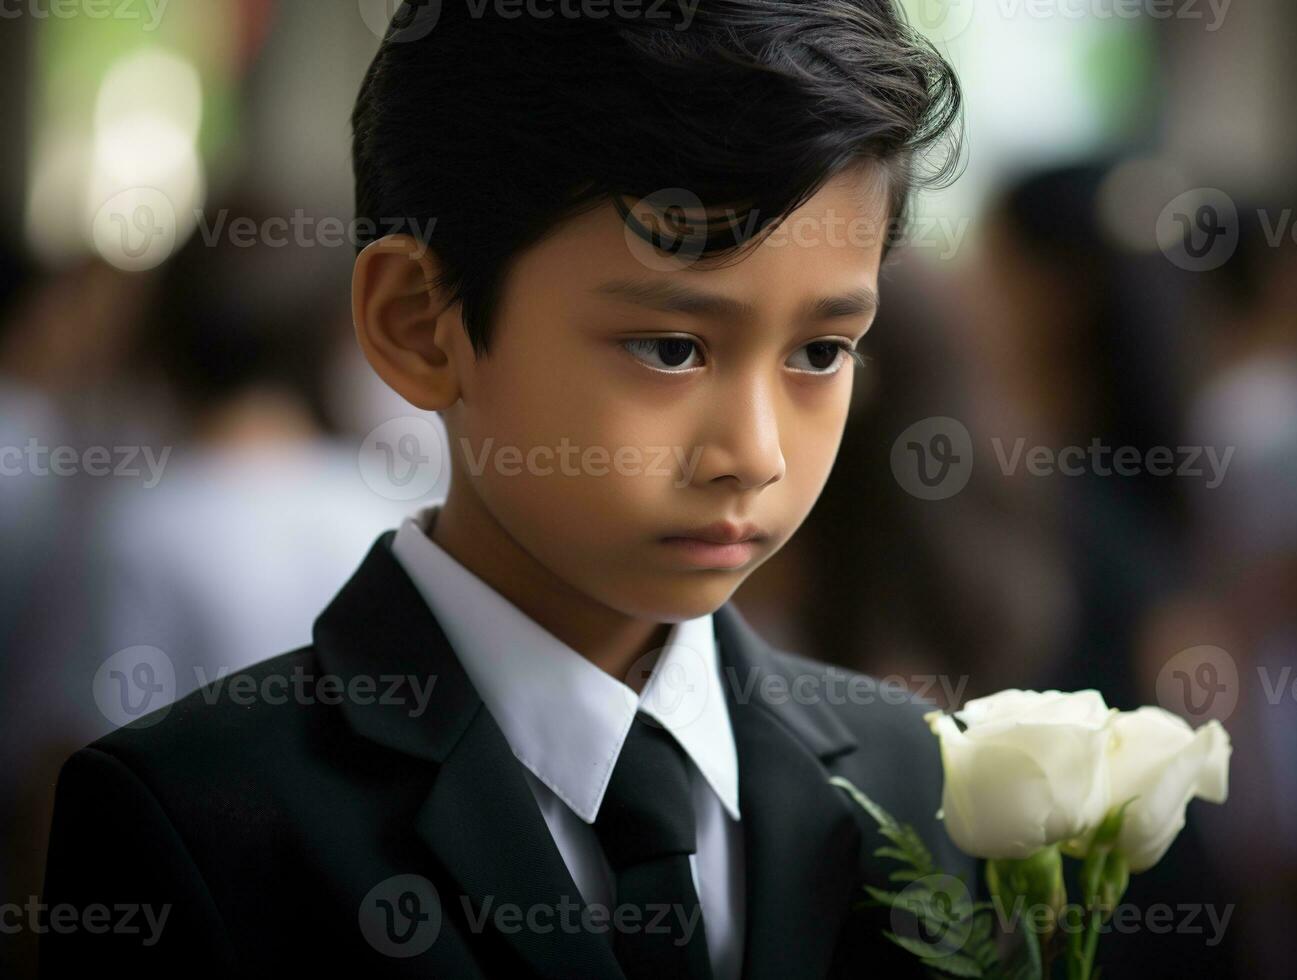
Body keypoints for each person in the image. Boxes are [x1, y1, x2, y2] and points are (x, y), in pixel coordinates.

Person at [41, 2, 975, 977]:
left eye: (822, 351)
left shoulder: (921, 776)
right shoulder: (200, 819)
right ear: (420, 325)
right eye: (668, 346)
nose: (755, 452)